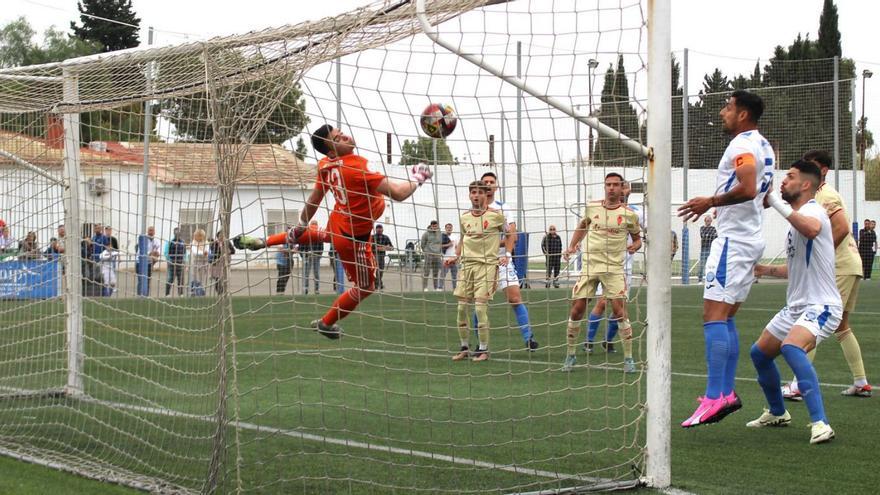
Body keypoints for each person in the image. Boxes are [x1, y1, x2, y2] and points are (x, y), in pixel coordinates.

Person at [233, 124, 433, 339]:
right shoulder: (356, 167)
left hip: (340, 218)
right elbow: (399, 193)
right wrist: (417, 179)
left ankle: (263, 241)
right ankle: (326, 324)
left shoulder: (326, 164)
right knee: (366, 287)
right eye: (338, 138)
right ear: (331, 150)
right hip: (354, 240)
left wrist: (301, 223)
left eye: (341, 132)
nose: (345, 136)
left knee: (319, 233)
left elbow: (315, 198)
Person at [678, 90, 775, 428]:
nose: (723, 112)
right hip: (749, 239)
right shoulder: (764, 145)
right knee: (726, 317)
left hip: (733, 244)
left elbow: (749, 189)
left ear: (743, 113)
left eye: (728, 107)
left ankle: (716, 396)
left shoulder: (741, 146)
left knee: (713, 316)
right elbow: (764, 194)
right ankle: (723, 393)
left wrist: (711, 201)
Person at [748, 160, 839, 444]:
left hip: (821, 305)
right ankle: (778, 412)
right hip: (797, 306)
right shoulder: (796, 220)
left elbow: (811, 229)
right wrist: (764, 270)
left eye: (790, 176)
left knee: (791, 347)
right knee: (759, 353)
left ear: (806, 185)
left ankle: (821, 423)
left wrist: (773, 199)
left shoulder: (813, 211)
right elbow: (795, 269)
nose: (783, 180)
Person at [779, 150, 871, 399]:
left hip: (839, 265)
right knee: (841, 326)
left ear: (823, 171)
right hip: (850, 264)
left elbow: (840, 226)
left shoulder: (825, 194)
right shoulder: (817, 196)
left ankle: (799, 384)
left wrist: (821, 256)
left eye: (811, 166)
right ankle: (861, 381)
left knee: (811, 321)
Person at [560, 172, 641, 372]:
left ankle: (629, 359)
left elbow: (637, 238)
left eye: (615, 185)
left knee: (619, 311)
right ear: (604, 187)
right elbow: (582, 226)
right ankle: (570, 355)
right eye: (608, 184)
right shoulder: (592, 207)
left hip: (614, 269)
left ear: (622, 188)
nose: (611, 188)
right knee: (577, 309)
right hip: (590, 266)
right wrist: (572, 245)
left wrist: (635, 246)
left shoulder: (629, 214)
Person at [584, 181, 646, 360]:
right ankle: (588, 340)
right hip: (602, 264)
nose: (621, 190)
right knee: (602, 302)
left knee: (621, 308)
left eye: (623, 187)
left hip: (624, 266)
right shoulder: (601, 209)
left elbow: (644, 233)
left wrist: (638, 243)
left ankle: (608, 340)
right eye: (617, 186)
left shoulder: (636, 212)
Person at [479, 172, 539, 351]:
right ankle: (480, 344)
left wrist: (507, 253)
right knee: (479, 303)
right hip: (482, 262)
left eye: (491, 182)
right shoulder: (474, 209)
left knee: (514, 298)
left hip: (502, 260)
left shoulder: (503, 208)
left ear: (496, 187)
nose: (488, 185)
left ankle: (529, 338)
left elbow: (512, 235)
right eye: (485, 182)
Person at [449, 180, 506, 362]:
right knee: (461, 308)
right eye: (473, 192)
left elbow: (512, 233)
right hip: (467, 266)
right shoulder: (464, 217)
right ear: (469, 195)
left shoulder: (497, 216)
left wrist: (507, 253)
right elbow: (463, 238)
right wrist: (455, 256)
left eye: (479, 192)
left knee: (480, 308)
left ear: (486, 195)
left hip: (487, 266)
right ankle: (464, 347)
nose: (476, 195)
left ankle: (483, 349)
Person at [299, 220, 323, 295]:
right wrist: (304, 255)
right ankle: (305, 289)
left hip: (316, 257)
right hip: (307, 257)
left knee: (316, 274)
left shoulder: (319, 235)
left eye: (315, 224)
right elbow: (301, 246)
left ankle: (317, 289)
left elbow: (321, 247)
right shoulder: (305, 234)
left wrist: (318, 255)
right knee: (306, 274)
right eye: (313, 224)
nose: (314, 226)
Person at [138, 225, 163, 295]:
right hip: (141, 263)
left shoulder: (156, 241)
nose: (151, 232)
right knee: (141, 281)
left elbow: (159, 250)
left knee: (148, 280)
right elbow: (142, 251)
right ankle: (139, 295)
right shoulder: (144, 240)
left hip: (149, 263)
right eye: (150, 230)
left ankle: (146, 295)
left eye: (152, 230)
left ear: (154, 232)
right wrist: (151, 253)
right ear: (147, 231)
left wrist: (156, 253)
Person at [209, 230, 235, 295]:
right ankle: (219, 290)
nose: (221, 237)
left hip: (225, 261)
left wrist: (228, 252)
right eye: (220, 235)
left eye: (223, 235)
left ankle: (224, 290)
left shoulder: (227, 242)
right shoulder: (214, 243)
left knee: (225, 276)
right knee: (217, 277)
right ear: (217, 236)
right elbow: (213, 251)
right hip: (217, 261)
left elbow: (233, 251)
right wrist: (219, 254)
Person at [420, 220, 443, 291]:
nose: (434, 227)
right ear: (431, 226)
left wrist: (439, 252)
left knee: (436, 272)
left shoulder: (439, 233)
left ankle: (435, 288)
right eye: (433, 226)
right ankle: (425, 287)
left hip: (437, 255)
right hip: (429, 255)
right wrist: (426, 252)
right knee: (426, 272)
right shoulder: (426, 234)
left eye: (436, 226)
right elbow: (422, 244)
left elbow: (440, 244)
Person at [187, 228, 210, 296]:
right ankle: (193, 290)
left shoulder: (206, 242)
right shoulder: (193, 243)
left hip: (204, 262)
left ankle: (201, 290)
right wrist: (203, 253)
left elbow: (207, 251)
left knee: (202, 277)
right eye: (196, 235)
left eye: (200, 236)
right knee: (194, 277)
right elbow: (195, 252)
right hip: (195, 262)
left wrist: (206, 253)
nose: (198, 237)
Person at [165, 228, 186, 296]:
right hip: (172, 263)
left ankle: (181, 294)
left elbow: (185, 253)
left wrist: (184, 261)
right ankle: (167, 294)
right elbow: (166, 252)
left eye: (178, 232)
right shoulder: (170, 242)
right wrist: (169, 260)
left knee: (181, 279)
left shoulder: (183, 242)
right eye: (176, 232)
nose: (177, 234)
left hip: (180, 263)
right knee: (170, 279)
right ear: (174, 233)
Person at [372, 224, 394, 290]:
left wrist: (386, 248)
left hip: (382, 256)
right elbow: (369, 246)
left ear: (382, 229)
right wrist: (378, 248)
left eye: (380, 228)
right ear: (375, 229)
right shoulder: (372, 237)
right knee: (376, 271)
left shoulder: (386, 237)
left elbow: (391, 248)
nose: (379, 229)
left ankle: (378, 284)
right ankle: (377, 285)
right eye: (378, 228)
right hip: (374, 256)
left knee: (381, 271)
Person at [99, 226, 119, 296]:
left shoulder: (113, 239)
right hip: (105, 269)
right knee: (106, 283)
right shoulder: (103, 253)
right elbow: (102, 257)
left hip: (111, 268)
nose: (109, 247)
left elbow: (118, 251)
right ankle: (106, 295)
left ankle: (110, 292)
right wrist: (110, 256)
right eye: (108, 246)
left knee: (113, 282)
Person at [698, 215, 717, 282]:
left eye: (709, 220)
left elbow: (715, 236)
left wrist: (708, 235)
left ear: (711, 221)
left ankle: (711, 280)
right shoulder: (702, 228)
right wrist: (709, 235)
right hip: (704, 249)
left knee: (712, 265)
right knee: (702, 265)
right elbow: (703, 236)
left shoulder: (713, 228)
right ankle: (700, 280)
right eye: (707, 220)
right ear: (705, 221)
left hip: (711, 249)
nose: (708, 222)